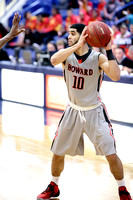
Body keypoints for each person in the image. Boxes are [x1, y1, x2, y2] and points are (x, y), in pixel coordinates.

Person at [37, 23, 132, 200]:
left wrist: (109, 49)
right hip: (72, 110)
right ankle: (53, 185)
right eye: (69, 34)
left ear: (84, 36)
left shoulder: (98, 58)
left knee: (111, 154)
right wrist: (76, 45)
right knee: (58, 152)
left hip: (94, 112)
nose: (68, 37)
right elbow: (54, 60)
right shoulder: (67, 55)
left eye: (72, 34)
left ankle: (123, 189)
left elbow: (116, 76)